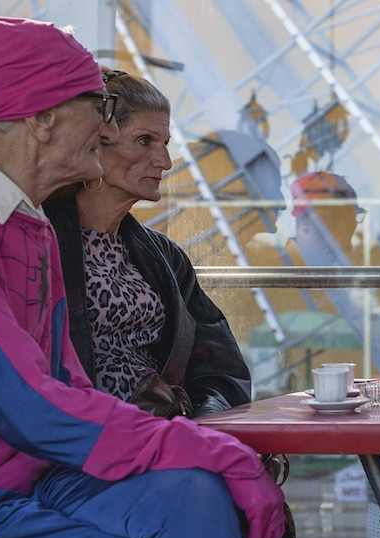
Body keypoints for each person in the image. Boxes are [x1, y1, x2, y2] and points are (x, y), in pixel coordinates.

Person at [0, 17, 283, 538]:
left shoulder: (31, 225)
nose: (102, 128)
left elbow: (67, 381)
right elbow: (23, 398)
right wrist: (201, 446)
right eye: (99, 108)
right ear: (42, 119)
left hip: (44, 471)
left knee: (196, 499)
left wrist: (189, 446)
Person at [44, 68, 251, 418]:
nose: (165, 162)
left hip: (164, 429)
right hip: (81, 435)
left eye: (165, 144)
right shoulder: (35, 238)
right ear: (95, 142)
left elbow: (219, 369)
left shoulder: (165, 257)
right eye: (145, 141)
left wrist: (206, 421)